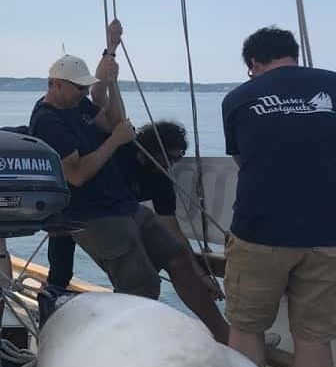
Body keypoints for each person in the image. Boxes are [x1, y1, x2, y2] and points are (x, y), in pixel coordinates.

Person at [29, 19, 228, 344]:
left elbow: (112, 120)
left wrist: (113, 80)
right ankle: (133, 347)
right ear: (55, 84)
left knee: (178, 260)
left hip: (122, 204)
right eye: (76, 87)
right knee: (143, 284)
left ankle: (222, 334)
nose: (82, 93)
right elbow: (77, 175)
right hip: (92, 214)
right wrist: (114, 142)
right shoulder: (48, 121)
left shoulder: (77, 106)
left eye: (83, 87)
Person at [222, 26, 336, 367]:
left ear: (253, 63)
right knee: (314, 338)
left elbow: (243, 161)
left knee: (246, 330)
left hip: (259, 232)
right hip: (328, 233)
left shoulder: (238, 98)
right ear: (294, 54)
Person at [46, 121, 223, 298]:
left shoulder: (161, 180)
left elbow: (171, 227)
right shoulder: (119, 154)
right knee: (63, 235)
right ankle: (55, 287)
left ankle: (124, 297)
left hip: (120, 217)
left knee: (142, 271)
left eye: (176, 159)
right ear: (152, 149)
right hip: (81, 206)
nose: (170, 165)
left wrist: (200, 274)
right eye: (168, 158)